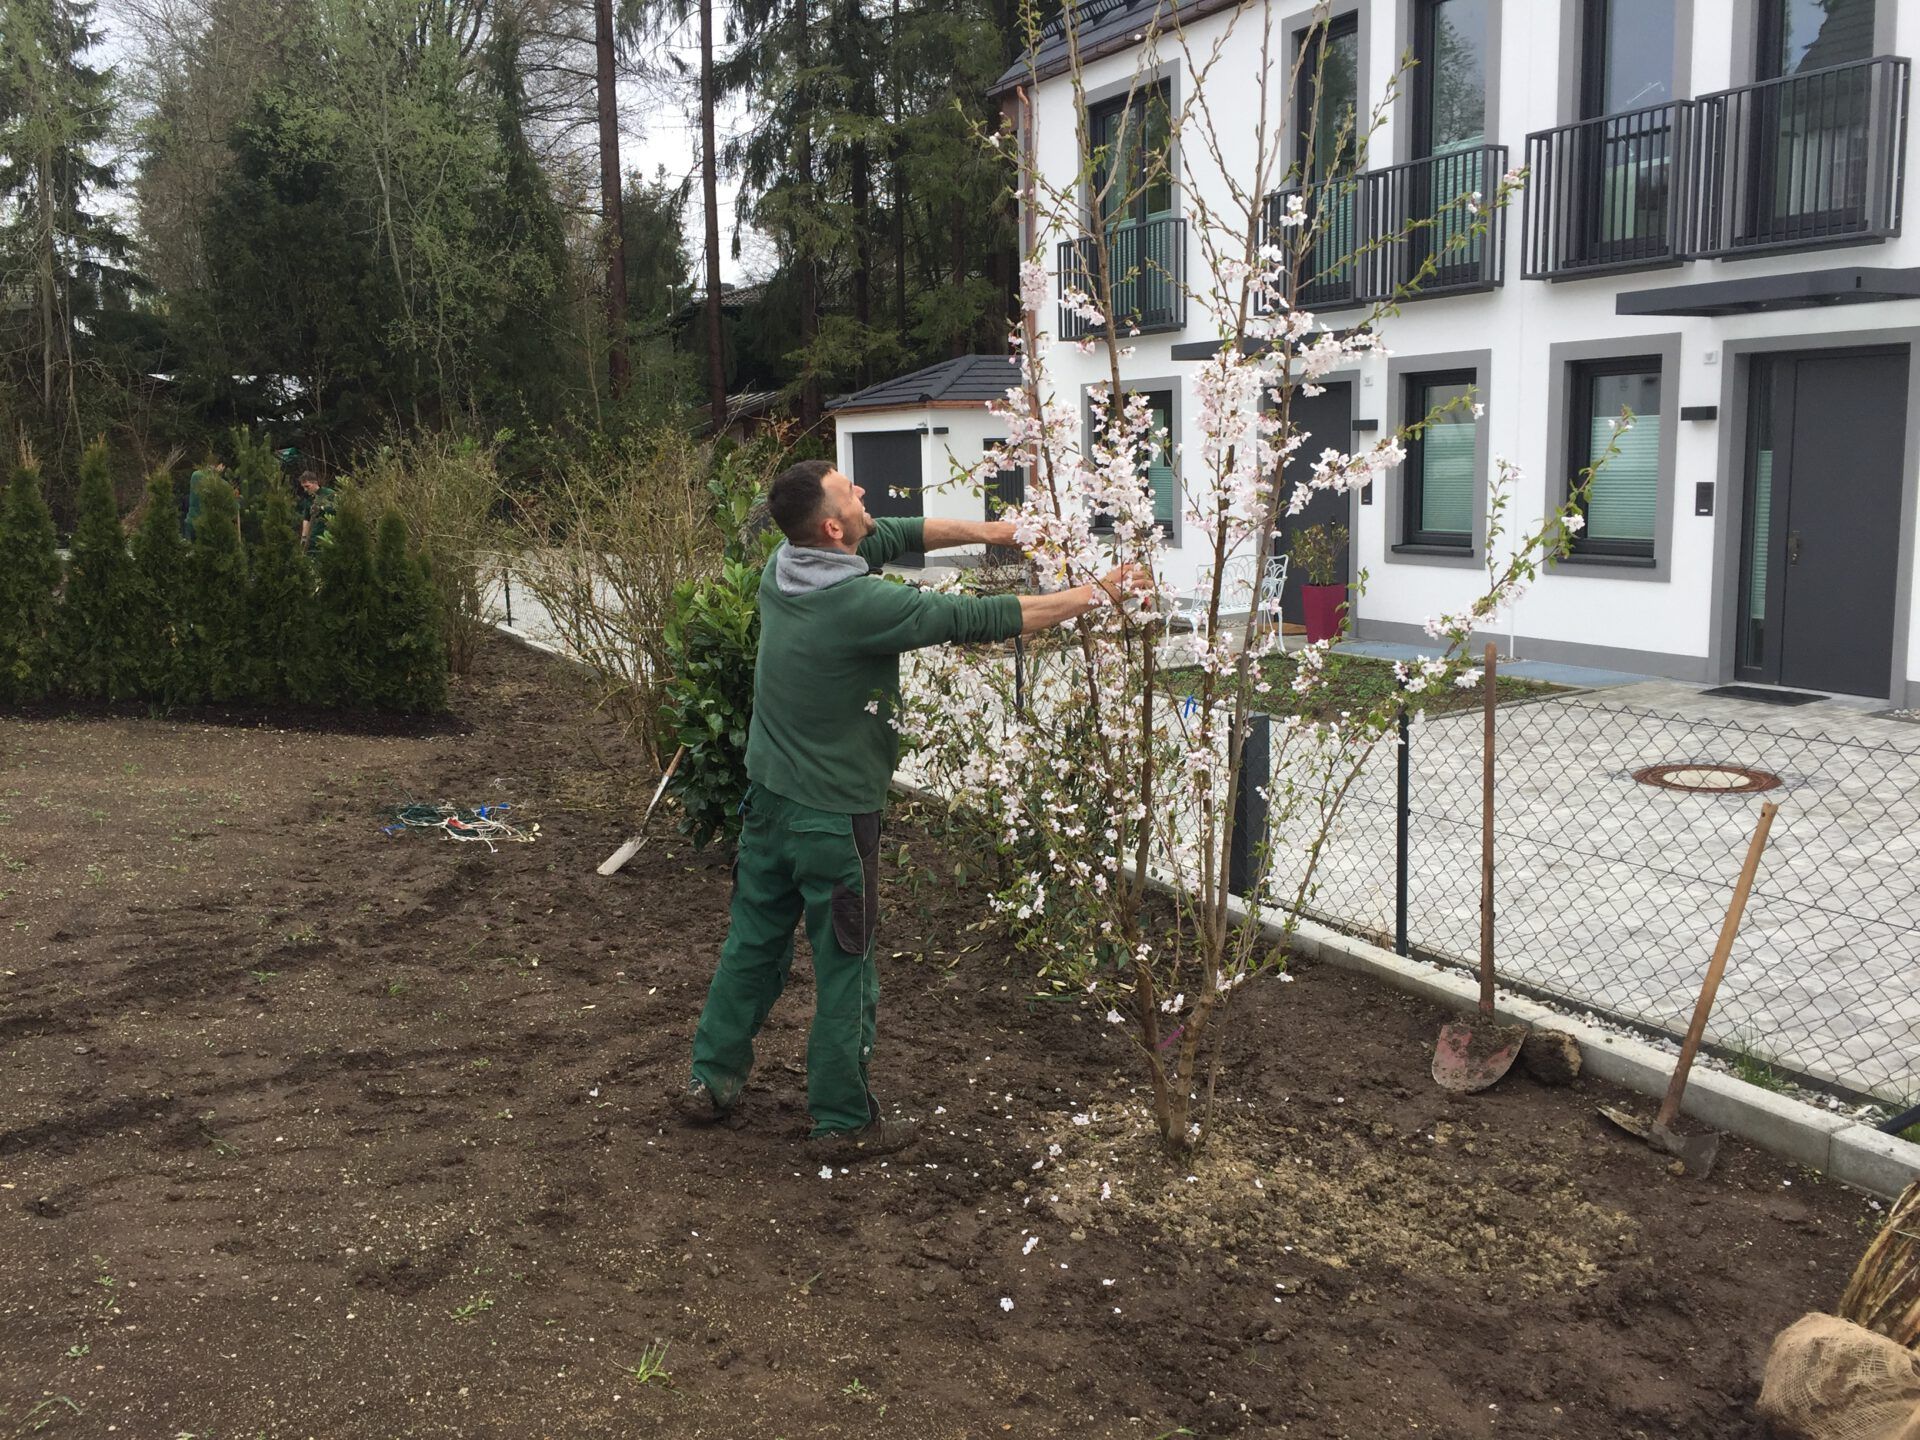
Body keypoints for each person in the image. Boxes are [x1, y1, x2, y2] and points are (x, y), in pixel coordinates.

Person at [671, 459, 1147, 1161]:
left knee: (752, 947)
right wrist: (1096, 594)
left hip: (767, 804)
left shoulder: (785, 564)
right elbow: (981, 617)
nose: (864, 490)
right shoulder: (864, 606)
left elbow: (890, 532)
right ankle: (841, 1124)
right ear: (833, 527)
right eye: (849, 491)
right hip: (833, 822)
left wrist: (994, 530)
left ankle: (708, 1083)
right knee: (845, 969)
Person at [297, 471, 337, 551]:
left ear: (315, 483)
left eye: (307, 486)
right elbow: (306, 518)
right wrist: (304, 537)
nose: (305, 489)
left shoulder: (329, 493)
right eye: (303, 487)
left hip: (328, 535)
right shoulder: (308, 499)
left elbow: (337, 509)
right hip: (313, 537)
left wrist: (322, 508)